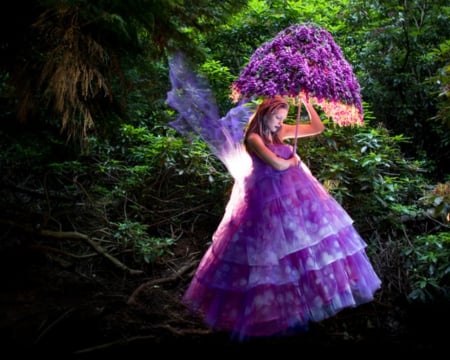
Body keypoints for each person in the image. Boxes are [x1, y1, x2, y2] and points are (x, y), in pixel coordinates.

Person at [179, 95, 382, 341]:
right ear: (265, 113)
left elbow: (317, 128)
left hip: (289, 199)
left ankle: (301, 307)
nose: (279, 123)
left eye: (283, 118)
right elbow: (276, 164)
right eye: (277, 117)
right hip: (261, 202)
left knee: (297, 249)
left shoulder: (281, 131)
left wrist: (307, 103)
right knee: (264, 254)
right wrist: (292, 160)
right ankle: (260, 315)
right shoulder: (254, 138)